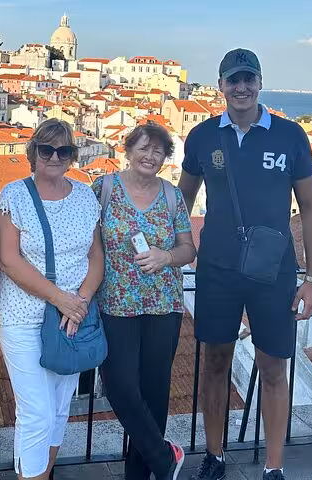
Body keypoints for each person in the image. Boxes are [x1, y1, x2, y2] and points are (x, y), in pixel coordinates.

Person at [178, 49, 312, 480]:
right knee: (216, 361)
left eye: (249, 79)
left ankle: (274, 467)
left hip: (273, 268)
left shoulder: (290, 135)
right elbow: (181, 200)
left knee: (273, 365)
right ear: (220, 85)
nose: (241, 87)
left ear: (260, 83)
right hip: (218, 266)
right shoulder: (203, 137)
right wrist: (176, 252)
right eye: (233, 79)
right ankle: (215, 455)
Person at [0, 118, 104, 480]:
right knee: (36, 410)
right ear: (34, 153)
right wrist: (62, 298)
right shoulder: (14, 195)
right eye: (47, 149)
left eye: (64, 151)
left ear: (73, 156)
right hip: (23, 316)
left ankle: (44, 474)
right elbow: (8, 259)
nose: (55, 157)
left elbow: (96, 257)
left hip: (71, 318)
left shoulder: (85, 195)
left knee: (59, 408)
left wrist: (81, 302)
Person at [92, 122, 196, 480]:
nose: (150, 156)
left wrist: (165, 257)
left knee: (154, 395)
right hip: (115, 303)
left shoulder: (171, 196)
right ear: (128, 150)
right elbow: (85, 243)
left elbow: (188, 249)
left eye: (158, 151)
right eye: (143, 148)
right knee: (120, 387)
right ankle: (165, 458)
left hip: (162, 304)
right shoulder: (104, 188)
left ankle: (142, 474)